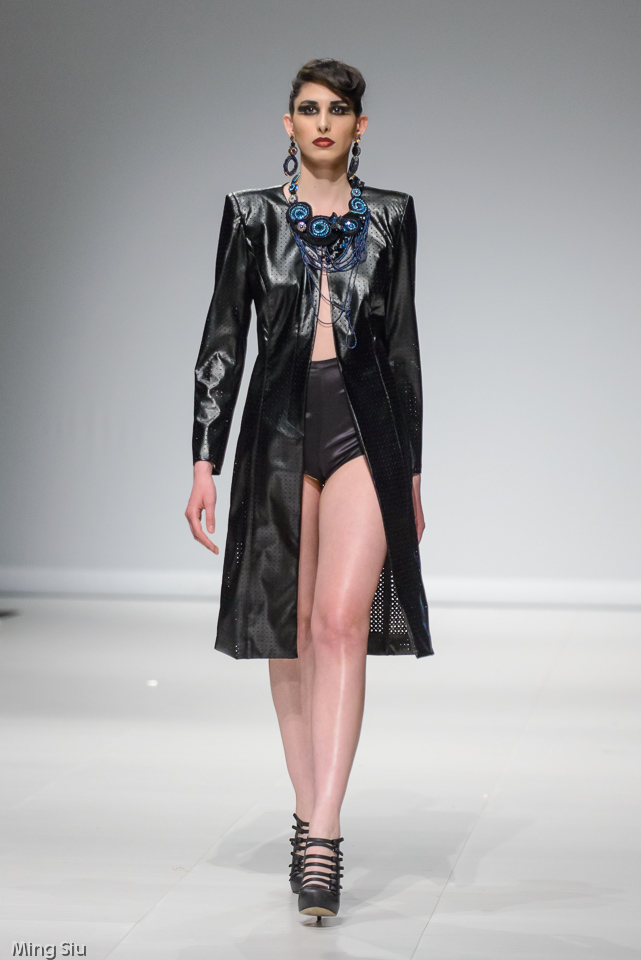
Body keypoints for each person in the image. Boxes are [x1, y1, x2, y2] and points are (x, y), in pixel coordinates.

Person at [185, 58, 433, 920]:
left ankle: (323, 833)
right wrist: (204, 459)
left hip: (365, 433)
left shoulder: (391, 216)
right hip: (279, 432)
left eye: (337, 109)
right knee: (292, 634)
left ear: (360, 127)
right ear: (286, 125)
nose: (321, 121)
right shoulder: (251, 216)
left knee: (339, 623)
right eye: (307, 108)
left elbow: (401, 346)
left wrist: (411, 472)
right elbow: (223, 340)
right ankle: (306, 809)